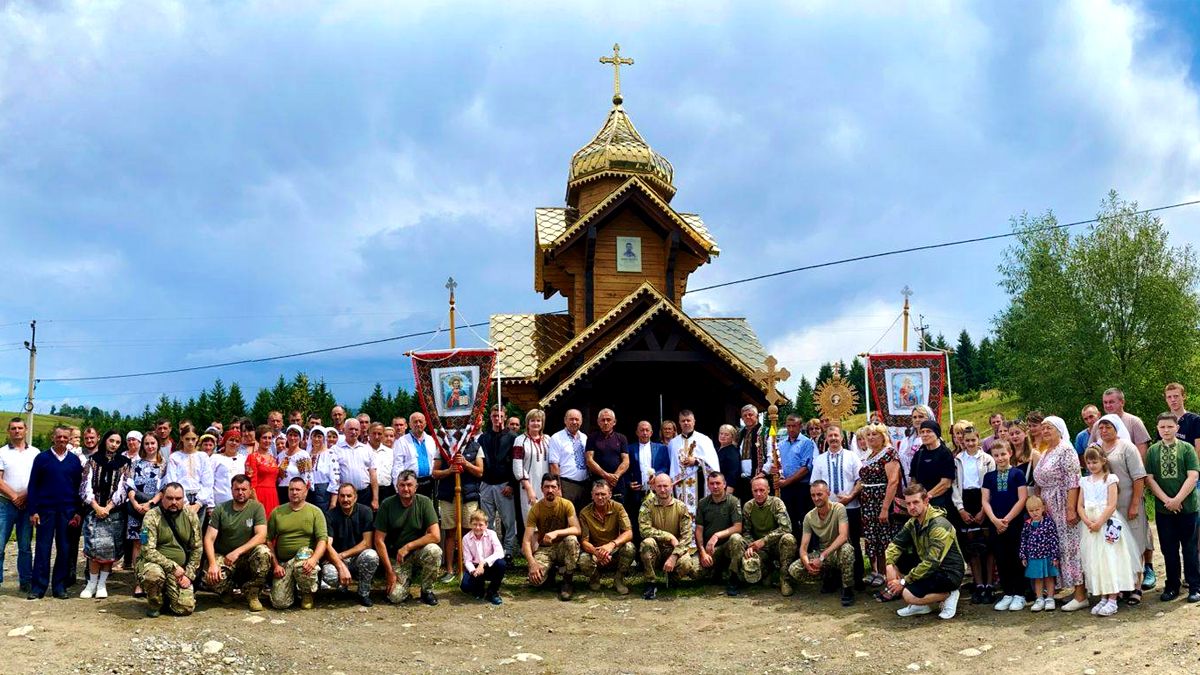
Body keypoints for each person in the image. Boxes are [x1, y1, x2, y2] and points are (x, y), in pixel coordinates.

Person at [885, 484, 965, 620]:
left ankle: (949, 594)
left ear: (926, 501)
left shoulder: (939, 525)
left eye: (915, 502)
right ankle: (921, 606)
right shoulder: (913, 522)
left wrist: (904, 581)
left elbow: (932, 562)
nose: (911, 507)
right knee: (897, 559)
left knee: (908, 595)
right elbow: (895, 545)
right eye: (908, 503)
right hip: (930, 568)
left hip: (949, 572)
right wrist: (889, 565)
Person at [1032, 416, 1088, 612]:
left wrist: (1071, 509)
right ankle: (1074, 590)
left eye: (1050, 428)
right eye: (1044, 428)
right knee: (1058, 548)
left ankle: (1081, 595)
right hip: (1049, 506)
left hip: (1063, 503)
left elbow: (1074, 481)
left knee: (1070, 548)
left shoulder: (1066, 450)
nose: (1045, 431)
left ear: (1060, 430)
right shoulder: (1048, 451)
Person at [1092, 414, 1149, 601]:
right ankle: (1123, 584)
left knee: (1135, 542)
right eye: (1101, 428)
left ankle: (1137, 587)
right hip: (1109, 508)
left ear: (1117, 428)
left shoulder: (1127, 447)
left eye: (1108, 427)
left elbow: (1139, 477)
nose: (1104, 430)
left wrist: (1135, 503)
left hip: (1128, 503)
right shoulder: (1097, 449)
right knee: (1116, 546)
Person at [1144, 413, 1200, 602]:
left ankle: (1194, 586)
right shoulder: (1152, 451)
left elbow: (1193, 475)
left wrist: (1178, 499)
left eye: (1169, 427)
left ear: (1177, 428)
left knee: (1190, 548)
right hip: (1163, 509)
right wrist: (1167, 500)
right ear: (1158, 430)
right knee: (1169, 549)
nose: (1166, 430)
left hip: (1188, 507)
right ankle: (1172, 586)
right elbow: (1150, 478)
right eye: (1162, 427)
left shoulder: (1187, 449)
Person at [1078, 447, 1138, 616]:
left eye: (1094, 462)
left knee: (1110, 557)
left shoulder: (1110, 479)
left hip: (1106, 522)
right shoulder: (1084, 481)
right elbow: (1080, 505)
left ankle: (1113, 597)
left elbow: (1111, 504)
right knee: (1096, 559)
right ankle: (1103, 596)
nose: (1091, 465)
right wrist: (1088, 521)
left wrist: (1099, 522)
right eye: (1088, 462)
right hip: (1090, 525)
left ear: (1103, 460)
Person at [27, 426, 84, 600]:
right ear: (53, 437)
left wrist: (78, 511)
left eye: (65, 437)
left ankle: (59, 586)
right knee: (43, 548)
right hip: (45, 510)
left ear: (69, 439)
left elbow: (79, 488)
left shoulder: (74, 461)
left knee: (65, 548)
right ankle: (38, 587)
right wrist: (33, 510)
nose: (62, 440)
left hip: (67, 511)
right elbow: (33, 486)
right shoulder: (42, 458)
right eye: (58, 437)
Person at [810, 423, 865, 590]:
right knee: (828, 544)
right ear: (826, 438)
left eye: (836, 435)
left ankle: (857, 579)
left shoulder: (852, 456)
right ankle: (831, 580)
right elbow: (814, 484)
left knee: (853, 542)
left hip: (851, 507)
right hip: (829, 511)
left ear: (842, 438)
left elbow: (861, 480)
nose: (833, 438)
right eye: (830, 436)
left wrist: (850, 497)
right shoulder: (819, 460)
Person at [374, 470, 442, 606]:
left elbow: (435, 535)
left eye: (409, 485)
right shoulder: (387, 504)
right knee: (395, 596)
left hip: (417, 552)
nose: (406, 488)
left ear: (416, 487)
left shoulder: (424, 502)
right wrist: (389, 571)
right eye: (402, 485)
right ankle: (405, 581)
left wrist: (408, 547)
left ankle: (427, 590)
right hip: (397, 558)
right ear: (396, 487)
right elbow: (378, 540)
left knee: (434, 550)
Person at [203, 474, 270, 612]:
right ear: (231, 490)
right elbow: (209, 538)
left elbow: (261, 536)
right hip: (225, 557)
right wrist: (212, 564)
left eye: (244, 489)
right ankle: (226, 590)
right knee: (210, 576)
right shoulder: (221, 509)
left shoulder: (256, 508)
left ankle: (252, 593)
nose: (240, 493)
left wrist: (238, 552)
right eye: (237, 489)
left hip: (247, 556)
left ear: (250, 490)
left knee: (264, 553)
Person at [136, 482, 202, 619]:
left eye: (178, 499)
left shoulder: (191, 516)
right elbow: (147, 550)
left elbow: (197, 548)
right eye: (169, 498)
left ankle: (168, 595)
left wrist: (189, 574)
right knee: (153, 575)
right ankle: (155, 602)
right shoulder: (151, 516)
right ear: (162, 498)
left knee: (185, 608)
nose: (174, 502)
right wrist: (172, 567)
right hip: (155, 565)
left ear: (183, 499)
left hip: (180, 572)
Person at [788, 480, 857, 606]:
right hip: (822, 554)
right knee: (794, 569)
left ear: (828, 493)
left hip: (837, 551)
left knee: (847, 550)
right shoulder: (809, 517)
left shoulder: (839, 509)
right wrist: (807, 563)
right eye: (813, 495)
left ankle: (847, 588)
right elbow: (803, 547)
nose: (816, 498)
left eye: (819, 494)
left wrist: (822, 556)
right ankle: (828, 577)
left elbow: (843, 536)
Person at [79, 430, 130, 599]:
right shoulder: (92, 461)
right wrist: (96, 506)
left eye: (117, 442)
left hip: (114, 513)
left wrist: (108, 508)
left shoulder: (124, 462)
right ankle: (91, 583)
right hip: (94, 510)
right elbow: (85, 486)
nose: (114, 444)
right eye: (111, 440)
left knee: (109, 550)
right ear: (105, 441)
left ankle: (102, 584)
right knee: (94, 548)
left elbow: (123, 488)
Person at [950, 424, 996, 604]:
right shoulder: (958, 460)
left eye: (973, 440)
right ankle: (978, 585)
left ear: (978, 440)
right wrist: (960, 508)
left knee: (988, 546)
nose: (970, 443)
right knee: (972, 547)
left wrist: (985, 509)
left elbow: (991, 483)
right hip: (965, 499)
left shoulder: (987, 459)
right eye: (967, 440)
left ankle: (989, 585)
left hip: (983, 499)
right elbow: (954, 485)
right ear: (963, 441)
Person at [266, 477, 328, 610]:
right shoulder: (277, 512)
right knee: (279, 603)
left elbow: (322, 540)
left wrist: (314, 559)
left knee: (303, 553)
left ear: (305, 491)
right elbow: (268, 540)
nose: (294, 492)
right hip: (284, 563)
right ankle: (291, 589)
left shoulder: (315, 512)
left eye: (298, 489)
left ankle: (307, 593)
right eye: (291, 489)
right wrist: (275, 565)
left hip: (305, 560)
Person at [982, 440, 1029, 611]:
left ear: (1010, 453)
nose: (1000, 458)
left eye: (1003, 454)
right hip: (995, 524)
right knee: (1001, 558)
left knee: (1016, 557)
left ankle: (1020, 594)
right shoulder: (989, 477)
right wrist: (994, 520)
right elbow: (985, 500)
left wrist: (1007, 520)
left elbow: (1022, 498)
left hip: (1014, 523)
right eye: (996, 455)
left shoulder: (1017, 474)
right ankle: (1008, 592)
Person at [639, 472, 699, 599]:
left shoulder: (681, 507)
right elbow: (644, 530)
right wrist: (668, 536)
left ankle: (672, 579)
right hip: (656, 550)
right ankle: (650, 582)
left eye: (665, 486)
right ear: (653, 487)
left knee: (687, 562)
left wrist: (674, 556)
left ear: (671, 486)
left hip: (674, 550)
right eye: (659, 486)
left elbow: (686, 537)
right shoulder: (647, 505)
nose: (662, 489)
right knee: (647, 543)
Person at [433, 436, 484, 581]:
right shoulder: (443, 446)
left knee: (469, 533)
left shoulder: (475, 446)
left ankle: (466, 567)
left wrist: (466, 464)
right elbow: (435, 473)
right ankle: (449, 569)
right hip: (448, 496)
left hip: (468, 496)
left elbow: (480, 472)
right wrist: (449, 470)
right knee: (450, 533)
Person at [523, 473, 581, 601]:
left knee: (572, 540)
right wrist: (532, 563)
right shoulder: (536, 509)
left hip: (562, 547)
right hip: (545, 549)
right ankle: (549, 573)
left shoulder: (566, 504)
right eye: (547, 487)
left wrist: (556, 533)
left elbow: (577, 529)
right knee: (535, 581)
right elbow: (526, 541)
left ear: (558, 488)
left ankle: (567, 580)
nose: (550, 490)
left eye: (553, 487)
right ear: (541, 488)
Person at [321, 483, 379, 607]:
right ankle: (343, 587)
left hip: (357, 557)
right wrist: (340, 563)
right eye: (342, 496)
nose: (345, 499)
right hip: (338, 559)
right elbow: (328, 544)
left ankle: (363, 592)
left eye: (349, 496)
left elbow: (366, 543)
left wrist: (342, 555)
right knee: (328, 574)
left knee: (371, 555)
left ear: (355, 497)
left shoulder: (366, 511)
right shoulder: (330, 515)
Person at [858, 422, 901, 588]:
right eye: (868, 435)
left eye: (874, 434)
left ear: (883, 436)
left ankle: (887, 573)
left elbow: (893, 481)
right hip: (868, 502)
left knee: (884, 537)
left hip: (881, 500)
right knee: (872, 537)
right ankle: (876, 571)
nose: (870, 437)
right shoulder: (870, 455)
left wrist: (884, 508)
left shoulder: (889, 453)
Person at [740, 475, 798, 596]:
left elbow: (786, 527)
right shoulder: (748, 507)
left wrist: (764, 540)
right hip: (760, 548)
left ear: (768, 490)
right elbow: (746, 531)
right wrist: (751, 546)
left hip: (776, 545)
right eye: (755, 491)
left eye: (762, 490)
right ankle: (767, 572)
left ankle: (785, 579)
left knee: (789, 539)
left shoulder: (776, 503)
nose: (759, 494)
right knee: (750, 561)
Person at [0, 418, 39, 592]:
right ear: (9, 431)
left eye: (20, 428)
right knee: (0, 544)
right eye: (13, 428)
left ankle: (26, 580)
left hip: (27, 505)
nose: (17, 431)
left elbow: (39, 480)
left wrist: (24, 496)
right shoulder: (1, 452)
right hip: (5, 504)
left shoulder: (35, 453)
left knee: (25, 546)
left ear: (26, 430)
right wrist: (15, 496)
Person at [577, 479, 635, 595]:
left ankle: (618, 579)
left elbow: (628, 533)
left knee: (630, 548)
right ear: (592, 496)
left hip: (614, 549)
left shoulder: (618, 508)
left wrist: (611, 545)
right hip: (596, 552)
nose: (600, 497)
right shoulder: (584, 513)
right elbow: (584, 541)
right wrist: (598, 552)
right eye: (597, 494)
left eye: (603, 494)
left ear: (610, 494)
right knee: (583, 559)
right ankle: (594, 578)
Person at [478, 406, 517, 561]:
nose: (497, 419)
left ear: (505, 417)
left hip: (504, 484)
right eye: (494, 415)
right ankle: (492, 550)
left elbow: (516, 463)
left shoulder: (513, 437)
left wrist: (512, 484)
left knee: (508, 520)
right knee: (488, 521)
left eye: (500, 416)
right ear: (491, 417)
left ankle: (508, 550)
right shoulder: (483, 438)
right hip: (487, 484)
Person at [695, 471, 744, 596]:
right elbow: (699, 530)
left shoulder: (733, 501)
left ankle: (734, 578)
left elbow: (738, 527)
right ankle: (717, 571)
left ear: (724, 484)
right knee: (694, 572)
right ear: (708, 485)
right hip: (711, 551)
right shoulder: (702, 503)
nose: (715, 486)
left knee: (736, 539)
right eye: (712, 484)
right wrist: (702, 552)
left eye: (718, 483)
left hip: (728, 547)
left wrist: (717, 535)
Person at [668, 410, 720, 517]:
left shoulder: (704, 440)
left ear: (694, 422)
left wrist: (696, 461)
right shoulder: (673, 443)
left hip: (699, 481)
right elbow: (671, 465)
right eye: (683, 421)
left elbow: (713, 464)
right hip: (679, 483)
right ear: (679, 422)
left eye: (688, 420)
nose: (686, 423)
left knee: (699, 512)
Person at [627, 420, 669, 544]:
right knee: (636, 521)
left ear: (651, 432)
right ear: (637, 432)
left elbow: (666, 466)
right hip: (637, 492)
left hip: (656, 492)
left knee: (657, 521)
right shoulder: (630, 448)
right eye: (642, 430)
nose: (644, 433)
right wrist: (629, 483)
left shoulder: (661, 448)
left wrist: (656, 475)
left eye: (647, 430)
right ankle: (638, 554)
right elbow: (625, 469)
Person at [1019, 495, 1059, 612]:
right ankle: (1039, 598)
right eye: (1031, 511)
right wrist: (1023, 555)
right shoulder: (1027, 524)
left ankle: (1050, 598)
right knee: (1037, 578)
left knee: (1049, 577)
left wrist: (1055, 556)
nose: (1034, 513)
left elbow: (1054, 539)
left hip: (1047, 556)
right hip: (1033, 557)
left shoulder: (1048, 522)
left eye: (1037, 510)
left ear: (1043, 508)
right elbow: (1024, 540)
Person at [164, 428, 215, 520]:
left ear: (197, 439)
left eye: (193, 439)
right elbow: (171, 481)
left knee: (197, 531)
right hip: (179, 497)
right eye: (187, 439)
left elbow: (208, 482)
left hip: (200, 496)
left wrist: (199, 503)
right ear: (182, 438)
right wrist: (184, 502)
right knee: (180, 530)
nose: (190, 442)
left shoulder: (203, 456)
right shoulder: (175, 457)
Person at [584, 408, 630, 506]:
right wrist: (606, 476)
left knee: (618, 511)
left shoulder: (621, 438)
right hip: (598, 482)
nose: (605, 422)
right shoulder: (592, 438)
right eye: (603, 420)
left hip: (617, 483)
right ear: (598, 422)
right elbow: (589, 460)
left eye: (608, 420)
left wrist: (615, 477)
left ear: (614, 422)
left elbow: (626, 460)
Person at [512, 409, 551, 523]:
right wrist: (529, 488)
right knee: (532, 522)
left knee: (547, 520)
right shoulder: (520, 441)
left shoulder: (548, 439)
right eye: (532, 420)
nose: (536, 423)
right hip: (529, 485)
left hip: (547, 486)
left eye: (538, 420)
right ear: (527, 423)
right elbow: (517, 466)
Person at [461, 508, 506, 604]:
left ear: (486, 525)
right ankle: (479, 588)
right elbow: (467, 560)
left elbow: (500, 552)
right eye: (474, 524)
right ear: (470, 524)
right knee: (465, 587)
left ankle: (492, 592)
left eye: (480, 525)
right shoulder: (466, 539)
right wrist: (474, 571)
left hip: (489, 565)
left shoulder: (492, 534)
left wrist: (483, 563)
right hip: (475, 567)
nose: (477, 528)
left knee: (501, 564)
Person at [548, 409, 590, 510]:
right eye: (571, 419)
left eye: (577, 419)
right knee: (567, 517)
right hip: (566, 485)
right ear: (565, 420)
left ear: (581, 421)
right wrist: (557, 488)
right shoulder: (557, 437)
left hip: (584, 485)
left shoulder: (584, 437)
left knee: (582, 517)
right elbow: (554, 465)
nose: (574, 422)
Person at [392, 412, 439, 502]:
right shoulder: (402, 441)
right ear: (409, 425)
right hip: (410, 483)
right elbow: (397, 466)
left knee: (426, 511)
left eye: (420, 421)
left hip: (429, 482)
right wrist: (398, 487)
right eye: (415, 422)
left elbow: (434, 460)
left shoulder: (430, 439)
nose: (418, 424)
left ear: (425, 423)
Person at [910, 420, 955, 512]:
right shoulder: (919, 454)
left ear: (937, 434)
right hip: (921, 504)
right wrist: (915, 497)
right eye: (922, 432)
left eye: (928, 431)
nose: (925, 434)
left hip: (941, 503)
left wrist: (926, 496)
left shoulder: (945, 453)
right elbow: (913, 480)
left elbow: (946, 483)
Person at [343, 422, 381, 509]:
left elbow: (373, 474)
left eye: (356, 429)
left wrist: (375, 499)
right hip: (344, 496)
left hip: (364, 494)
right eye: (351, 429)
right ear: (344, 431)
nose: (354, 432)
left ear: (360, 432)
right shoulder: (336, 450)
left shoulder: (367, 450)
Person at [276, 425, 314, 506]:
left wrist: (304, 494)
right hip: (282, 492)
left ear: (300, 438)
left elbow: (307, 477)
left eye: (295, 435)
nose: (293, 438)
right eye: (290, 435)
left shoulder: (303, 456)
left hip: (297, 493)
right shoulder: (281, 455)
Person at [245, 426, 281, 512]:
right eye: (264, 438)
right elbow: (251, 483)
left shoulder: (274, 459)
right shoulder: (252, 457)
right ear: (258, 439)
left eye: (269, 438)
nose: (267, 441)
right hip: (259, 495)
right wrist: (255, 502)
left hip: (273, 495)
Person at [735, 404, 764, 499]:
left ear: (757, 416)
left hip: (759, 476)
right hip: (742, 478)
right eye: (745, 415)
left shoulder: (764, 432)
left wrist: (763, 472)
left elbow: (771, 455)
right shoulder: (740, 434)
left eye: (750, 414)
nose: (748, 417)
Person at [212, 430, 247, 507]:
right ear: (225, 441)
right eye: (231, 440)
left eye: (237, 441)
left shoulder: (243, 459)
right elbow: (209, 482)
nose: (234, 443)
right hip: (220, 503)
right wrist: (210, 504)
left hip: (240, 502)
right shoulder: (215, 458)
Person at [309, 424, 340, 508]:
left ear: (324, 438)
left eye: (319, 436)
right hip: (308, 493)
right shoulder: (307, 454)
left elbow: (335, 479)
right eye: (314, 436)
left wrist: (333, 502)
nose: (316, 439)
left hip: (324, 494)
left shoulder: (330, 454)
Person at [897, 406, 933, 478]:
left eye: (921, 417)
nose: (917, 420)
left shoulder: (933, 439)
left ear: (929, 418)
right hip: (907, 481)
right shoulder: (906, 441)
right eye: (914, 417)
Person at [714, 424, 740, 496]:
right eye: (721, 433)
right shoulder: (716, 450)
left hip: (725, 488)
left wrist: (729, 491)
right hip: (715, 486)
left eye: (726, 434)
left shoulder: (732, 452)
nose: (723, 436)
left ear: (732, 437)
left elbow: (733, 472)